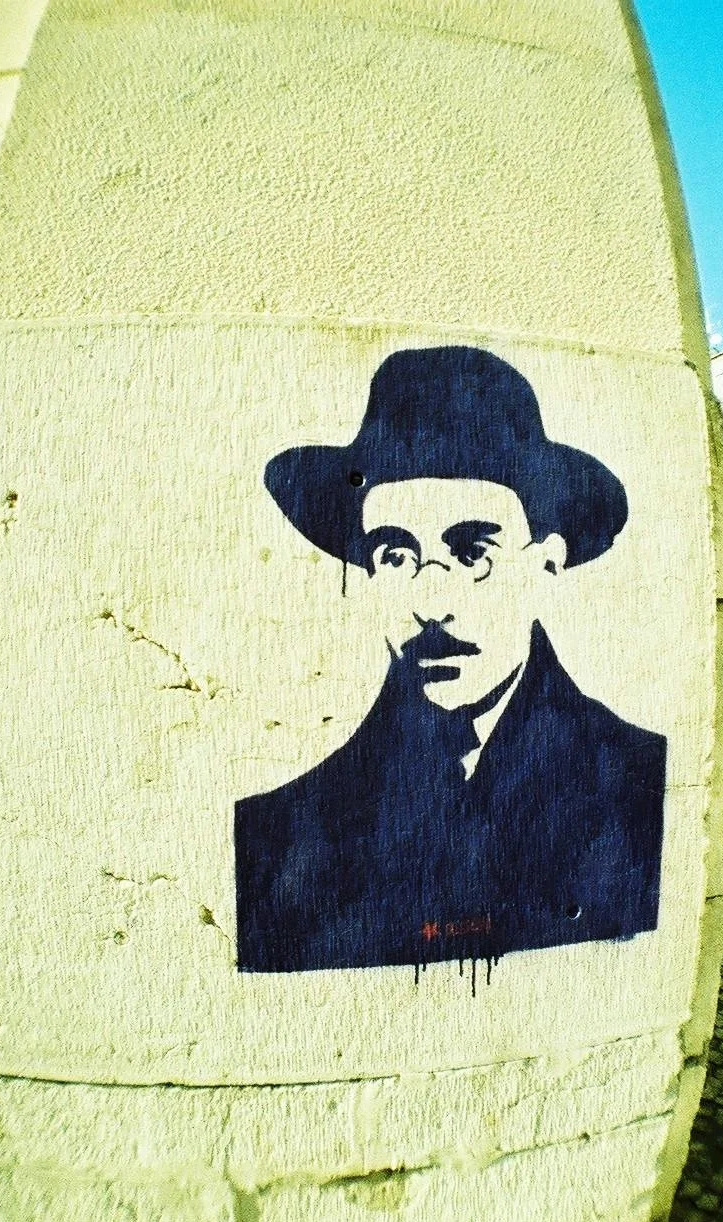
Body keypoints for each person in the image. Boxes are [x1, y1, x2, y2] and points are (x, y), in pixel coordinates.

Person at [235, 346, 666, 975]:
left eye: (471, 553)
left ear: (544, 569)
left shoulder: (635, 778)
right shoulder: (281, 834)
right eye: (394, 555)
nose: (430, 604)